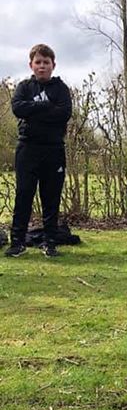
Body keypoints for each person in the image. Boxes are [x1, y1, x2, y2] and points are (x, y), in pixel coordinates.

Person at [6, 44, 72, 258]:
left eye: (46, 62)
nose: (42, 66)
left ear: (53, 65)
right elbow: (18, 108)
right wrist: (46, 107)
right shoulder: (24, 88)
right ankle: (17, 242)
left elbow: (63, 114)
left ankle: (50, 242)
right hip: (28, 150)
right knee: (24, 194)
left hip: (53, 150)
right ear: (31, 65)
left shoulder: (60, 89)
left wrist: (33, 112)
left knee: (51, 197)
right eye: (38, 62)